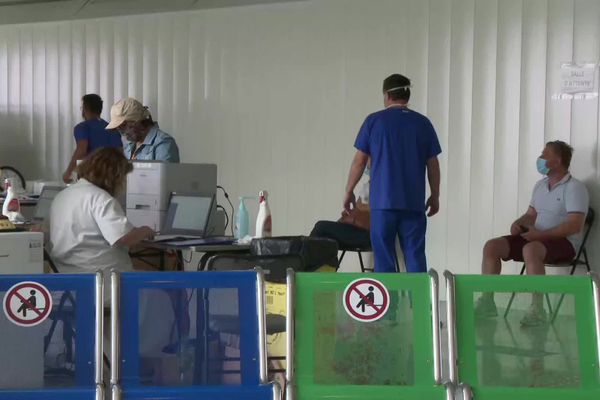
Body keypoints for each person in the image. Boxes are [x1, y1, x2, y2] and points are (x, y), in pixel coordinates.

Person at [476, 141, 589, 326]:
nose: (540, 158)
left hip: (563, 242)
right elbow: (531, 215)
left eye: (545, 155)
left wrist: (540, 236)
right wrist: (519, 223)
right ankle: (487, 302)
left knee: (530, 250)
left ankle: (537, 310)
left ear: (557, 160)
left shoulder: (575, 188)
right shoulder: (540, 186)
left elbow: (574, 226)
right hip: (535, 238)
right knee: (492, 246)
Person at [343, 74, 441, 273]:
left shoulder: (374, 122)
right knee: (414, 255)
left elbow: (359, 161)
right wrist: (435, 195)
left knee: (384, 257)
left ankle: (388, 303)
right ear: (407, 94)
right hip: (413, 203)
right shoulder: (423, 124)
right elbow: (433, 164)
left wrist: (349, 190)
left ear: (387, 95)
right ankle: (420, 303)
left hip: (383, 203)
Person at [49, 147, 155, 275]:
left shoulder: (63, 195)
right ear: (113, 176)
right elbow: (125, 238)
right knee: (160, 283)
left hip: (64, 273)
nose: (123, 183)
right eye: (123, 178)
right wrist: (145, 230)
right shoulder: (101, 198)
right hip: (102, 275)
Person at [62, 94, 123, 183]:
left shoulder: (82, 127)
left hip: (92, 177)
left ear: (85, 108)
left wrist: (68, 173)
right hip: (111, 177)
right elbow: (119, 152)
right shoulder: (112, 128)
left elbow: (81, 151)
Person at [106, 98, 180, 162]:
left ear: (137, 120)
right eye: (118, 128)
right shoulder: (129, 144)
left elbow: (166, 177)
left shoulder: (163, 143)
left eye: (123, 126)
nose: (121, 132)